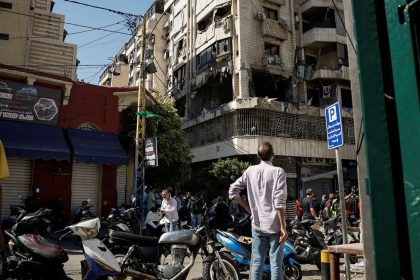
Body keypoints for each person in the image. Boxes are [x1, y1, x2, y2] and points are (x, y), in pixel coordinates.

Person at [229, 142, 288, 280]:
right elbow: (279, 202)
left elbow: (232, 190)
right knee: (276, 264)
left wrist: (247, 208)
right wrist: (283, 226)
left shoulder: (250, 171)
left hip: (257, 225)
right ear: (273, 155)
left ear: (258, 155)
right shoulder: (278, 172)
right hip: (275, 226)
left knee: (256, 263)